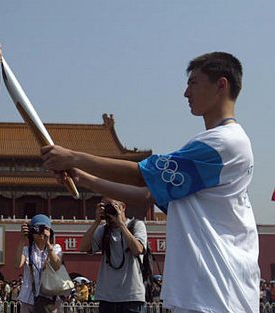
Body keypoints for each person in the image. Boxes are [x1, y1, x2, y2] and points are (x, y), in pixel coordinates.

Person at [41, 52, 259, 313]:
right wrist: (81, 176)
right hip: (210, 291)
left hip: (216, 291)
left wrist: (74, 156)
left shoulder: (222, 143)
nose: (186, 93)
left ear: (221, 85)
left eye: (193, 83)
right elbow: (146, 194)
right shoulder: (221, 143)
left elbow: (141, 174)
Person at [79, 197, 146, 313]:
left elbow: (137, 249)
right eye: (105, 207)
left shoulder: (136, 225)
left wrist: (121, 224)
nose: (108, 210)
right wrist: (96, 222)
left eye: (112, 206)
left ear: (123, 207)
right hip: (107, 297)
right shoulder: (103, 230)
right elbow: (83, 248)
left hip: (131, 296)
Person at [14, 214, 63, 313]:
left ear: (50, 231)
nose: (41, 232)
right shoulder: (26, 250)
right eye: (37, 228)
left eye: (44, 228)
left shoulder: (55, 248)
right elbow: (17, 265)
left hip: (50, 299)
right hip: (28, 297)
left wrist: (48, 244)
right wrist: (22, 239)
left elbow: (56, 266)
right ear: (32, 231)